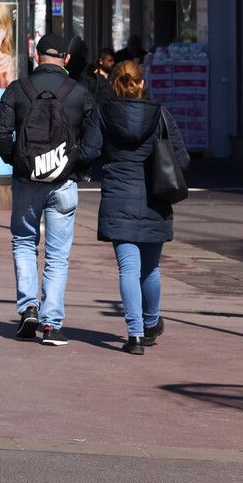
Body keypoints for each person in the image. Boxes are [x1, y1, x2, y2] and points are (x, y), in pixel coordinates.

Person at [0, 30, 103, 346]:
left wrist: (18, 160)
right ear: (66, 59)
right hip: (63, 181)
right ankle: (52, 324)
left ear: (36, 55)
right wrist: (74, 164)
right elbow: (94, 141)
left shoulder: (18, 89)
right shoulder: (79, 93)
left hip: (27, 181)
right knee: (58, 254)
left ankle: (28, 308)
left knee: (24, 241)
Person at [96, 59, 189, 354]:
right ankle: (150, 324)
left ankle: (134, 336)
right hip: (154, 200)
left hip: (118, 198)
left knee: (127, 268)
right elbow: (182, 160)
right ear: (141, 84)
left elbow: (89, 151)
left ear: (114, 84)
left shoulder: (104, 113)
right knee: (150, 269)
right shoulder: (161, 115)